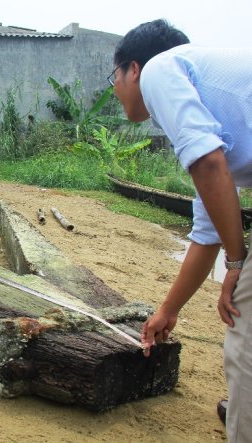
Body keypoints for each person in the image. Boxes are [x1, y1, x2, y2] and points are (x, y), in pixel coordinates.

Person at [110, 19, 252, 442]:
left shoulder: (159, 70)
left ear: (133, 69)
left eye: (113, 76)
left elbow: (209, 164)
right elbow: (207, 229)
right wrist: (168, 312)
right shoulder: (207, 98)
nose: (115, 88)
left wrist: (237, 261)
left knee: (245, 336)